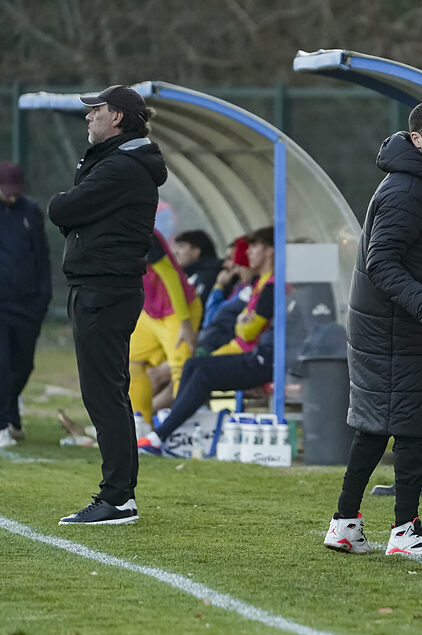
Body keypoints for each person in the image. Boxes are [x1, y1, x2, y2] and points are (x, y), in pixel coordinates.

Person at [322, 101, 422, 557]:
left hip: (391, 325)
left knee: (376, 427)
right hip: (395, 328)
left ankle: (345, 524)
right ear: (416, 139)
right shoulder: (407, 189)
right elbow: (381, 262)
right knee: (413, 425)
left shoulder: (418, 182)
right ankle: (405, 531)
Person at [48, 84, 167, 525]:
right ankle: (120, 495)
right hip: (102, 288)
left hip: (104, 289)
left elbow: (63, 209)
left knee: (103, 394)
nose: (88, 116)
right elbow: (76, 212)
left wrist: (72, 211)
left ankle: (117, 497)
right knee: (107, 392)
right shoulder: (118, 163)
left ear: (116, 116)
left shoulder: (121, 168)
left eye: (94, 109)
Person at [136, 228, 277, 453]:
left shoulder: (271, 287)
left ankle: (159, 435)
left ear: (270, 251)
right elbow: (234, 323)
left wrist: (242, 322)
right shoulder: (261, 284)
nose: (248, 252)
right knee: (192, 365)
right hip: (249, 352)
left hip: (261, 359)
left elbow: (247, 332)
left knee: (200, 373)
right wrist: (243, 321)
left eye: (254, 246)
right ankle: (168, 431)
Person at [128, 230, 201, 431]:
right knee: (130, 362)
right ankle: (140, 428)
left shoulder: (142, 232)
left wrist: (185, 323)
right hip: (151, 312)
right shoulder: (109, 233)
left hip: (178, 310)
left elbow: (170, 274)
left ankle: (176, 434)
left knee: (181, 372)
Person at [0, 161, 51, 447]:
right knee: (2, 363)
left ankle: (10, 413)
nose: (11, 195)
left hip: (28, 304)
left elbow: (41, 256)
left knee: (23, 365)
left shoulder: (30, 211)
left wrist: (43, 297)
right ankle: (3, 423)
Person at [173, 229, 221, 307]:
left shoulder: (208, 275)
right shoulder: (193, 274)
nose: (175, 252)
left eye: (181, 246)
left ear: (196, 252)